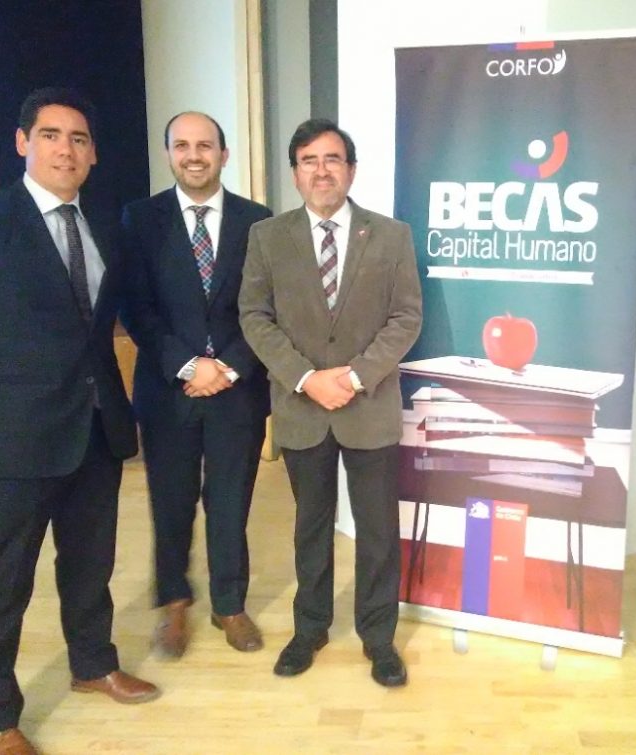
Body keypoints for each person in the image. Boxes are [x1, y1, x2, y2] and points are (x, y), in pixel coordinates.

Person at [0, 87, 158, 755]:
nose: (65, 149)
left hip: (97, 426)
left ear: (93, 154)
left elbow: (100, 326)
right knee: (1, 580)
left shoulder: (102, 223)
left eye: (78, 139)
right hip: (16, 435)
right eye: (50, 135)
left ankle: (93, 663)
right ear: (22, 143)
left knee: (90, 563)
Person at [240, 118, 422, 688]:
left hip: (369, 407)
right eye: (309, 161)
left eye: (333, 159)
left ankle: (379, 637)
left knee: (378, 531)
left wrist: (356, 376)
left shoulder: (391, 236)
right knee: (310, 529)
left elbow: (406, 317)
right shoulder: (268, 237)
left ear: (351, 169)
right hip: (303, 410)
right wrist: (304, 378)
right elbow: (255, 317)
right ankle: (310, 628)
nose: (322, 171)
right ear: (295, 173)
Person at [121, 111, 272, 658]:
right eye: (181, 145)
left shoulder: (259, 222)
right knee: (171, 502)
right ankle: (174, 602)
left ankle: (229, 605)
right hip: (168, 390)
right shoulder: (141, 219)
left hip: (238, 389)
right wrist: (189, 365)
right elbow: (135, 308)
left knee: (231, 502)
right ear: (169, 154)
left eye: (204, 145)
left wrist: (227, 366)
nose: (193, 155)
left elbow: (267, 307)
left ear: (223, 154)